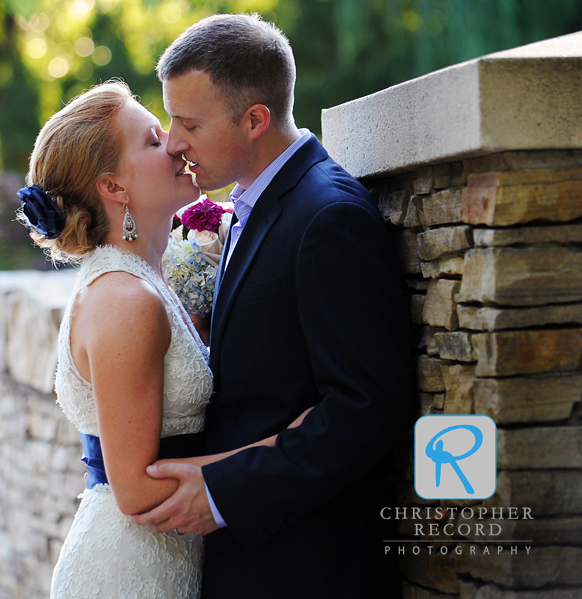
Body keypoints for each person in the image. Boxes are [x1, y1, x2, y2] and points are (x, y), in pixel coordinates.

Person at [131, 14, 418, 598]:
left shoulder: (328, 216)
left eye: (188, 123)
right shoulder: (250, 203)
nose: (174, 141)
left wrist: (223, 491)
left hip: (309, 567)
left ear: (255, 119)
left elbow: (367, 408)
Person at [18, 81, 309, 598]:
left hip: (171, 553)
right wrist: (286, 444)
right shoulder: (125, 299)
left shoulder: (145, 280)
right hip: (130, 569)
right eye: (154, 141)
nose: (175, 144)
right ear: (114, 188)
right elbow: (134, 489)